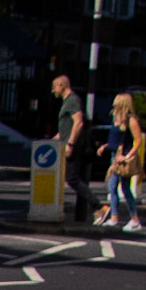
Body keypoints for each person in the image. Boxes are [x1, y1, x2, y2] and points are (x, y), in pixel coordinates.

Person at [53, 72, 96, 222]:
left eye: (54, 87)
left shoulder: (72, 101)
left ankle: (98, 206)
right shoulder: (68, 102)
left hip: (74, 145)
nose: (53, 90)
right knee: (71, 178)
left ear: (61, 85)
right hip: (67, 143)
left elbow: (78, 122)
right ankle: (96, 207)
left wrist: (70, 144)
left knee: (72, 178)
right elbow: (67, 127)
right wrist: (51, 141)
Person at [102, 91, 146, 231]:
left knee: (122, 188)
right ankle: (116, 218)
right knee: (113, 187)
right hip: (115, 155)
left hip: (123, 158)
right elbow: (115, 139)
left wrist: (127, 156)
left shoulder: (130, 119)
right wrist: (105, 147)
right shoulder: (116, 118)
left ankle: (134, 219)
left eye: (116, 102)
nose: (113, 104)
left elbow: (138, 140)